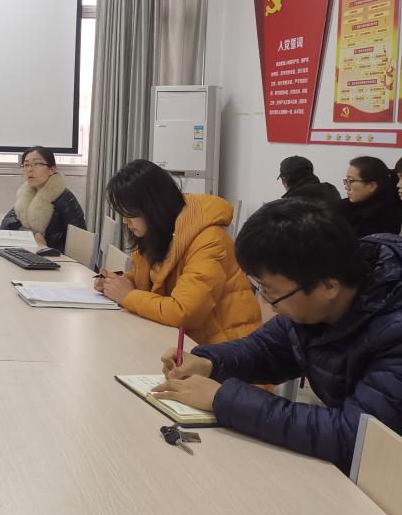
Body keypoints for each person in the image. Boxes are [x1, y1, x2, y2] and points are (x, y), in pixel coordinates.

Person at [151, 198, 402, 474]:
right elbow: (267, 349)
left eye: (270, 291)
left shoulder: (393, 331)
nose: (267, 304)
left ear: (328, 287)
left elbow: (355, 437)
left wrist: (222, 399)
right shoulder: (316, 294)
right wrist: (208, 362)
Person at [94, 159, 261, 344]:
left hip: (225, 347)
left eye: (130, 214)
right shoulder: (158, 233)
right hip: (180, 340)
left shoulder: (210, 240)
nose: (126, 222)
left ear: (153, 208)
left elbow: (184, 312)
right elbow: (153, 279)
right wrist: (118, 283)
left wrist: (127, 295)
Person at [0, 146, 86, 250]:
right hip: (32, 253)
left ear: (51, 169)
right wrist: (33, 234)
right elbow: (6, 224)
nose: (30, 169)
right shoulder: (27, 193)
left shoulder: (64, 197)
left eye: (36, 164)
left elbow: (80, 243)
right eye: (26, 165)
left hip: (57, 257)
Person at [340, 156, 402, 237]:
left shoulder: (385, 217)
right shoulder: (342, 207)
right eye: (347, 181)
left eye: (351, 181)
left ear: (372, 186)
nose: (347, 187)